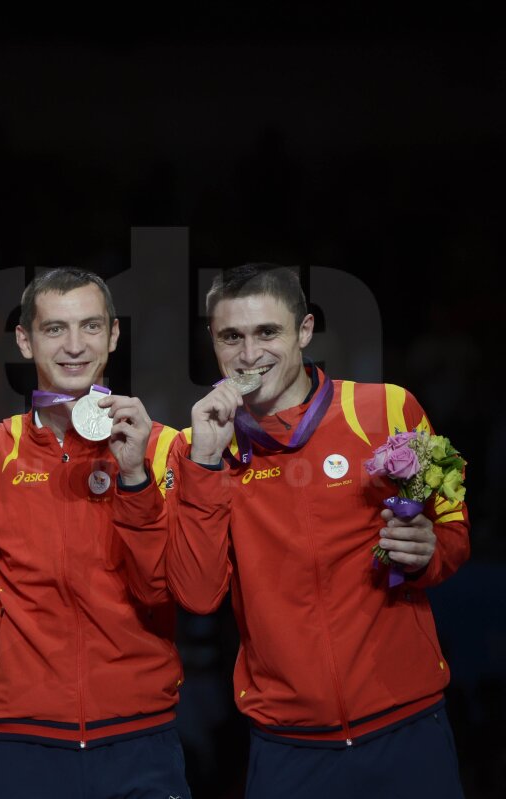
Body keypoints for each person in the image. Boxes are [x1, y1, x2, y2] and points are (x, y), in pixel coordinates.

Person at [167, 263, 469, 798]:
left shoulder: (385, 408)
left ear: (304, 330)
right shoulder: (200, 447)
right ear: (212, 341)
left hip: (408, 724)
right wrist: (206, 465)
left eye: (268, 332)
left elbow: (453, 532)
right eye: (231, 337)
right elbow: (197, 593)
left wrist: (429, 552)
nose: (249, 354)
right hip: (288, 744)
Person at [0, 268, 191, 798]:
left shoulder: (165, 448)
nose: (74, 346)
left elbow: (166, 589)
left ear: (113, 335)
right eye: (54, 329)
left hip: (139, 732)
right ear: (25, 340)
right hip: (22, 737)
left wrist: (135, 477)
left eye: (91, 327)